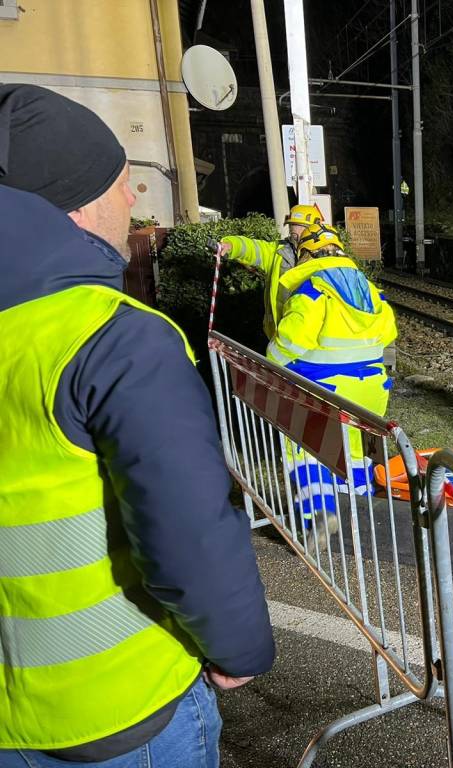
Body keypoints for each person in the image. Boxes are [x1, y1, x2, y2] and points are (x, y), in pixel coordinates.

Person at [0, 85, 274, 764]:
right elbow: (187, 527)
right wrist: (239, 647)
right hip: (119, 715)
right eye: (123, 185)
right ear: (76, 208)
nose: (133, 203)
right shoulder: (118, 340)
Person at [267, 223, 398, 528]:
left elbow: (291, 340)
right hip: (371, 390)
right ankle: (360, 517)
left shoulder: (313, 290)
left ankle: (319, 515)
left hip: (322, 389)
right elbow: (389, 329)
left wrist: (270, 361)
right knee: (355, 453)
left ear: (306, 255)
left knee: (305, 449)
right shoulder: (367, 288)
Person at [216, 202, 324, 339]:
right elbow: (252, 248)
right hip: (280, 332)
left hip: (313, 332)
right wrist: (231, 245)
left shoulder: (325, 255)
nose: (294, 232)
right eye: (292, 227)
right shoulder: (277, 252)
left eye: (300, 227)